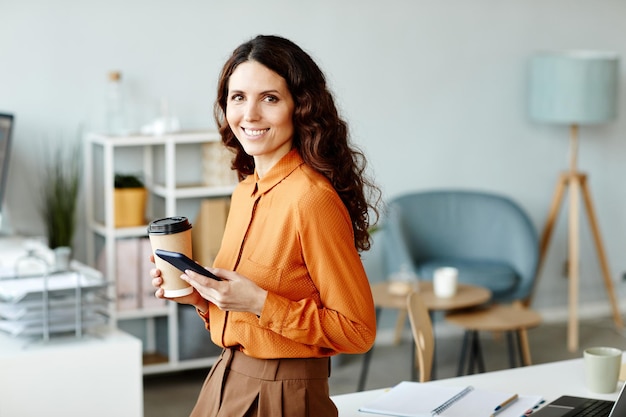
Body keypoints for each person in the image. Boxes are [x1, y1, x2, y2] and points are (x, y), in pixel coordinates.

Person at [150, 34, 381, 417]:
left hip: (284, 394)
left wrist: (260, 303)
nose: (250, 115)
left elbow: (358, 331)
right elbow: (247, 317)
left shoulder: (311, 199)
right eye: (238, 97)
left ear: (300, 108)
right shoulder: (244, 192)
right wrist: (202, 298)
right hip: (225, 378)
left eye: (269, 98)